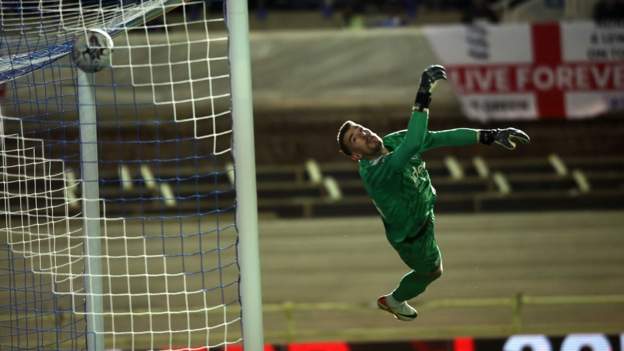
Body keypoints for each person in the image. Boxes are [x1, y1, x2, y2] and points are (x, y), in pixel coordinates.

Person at [335, 65, 530, 321]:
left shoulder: (393, 141)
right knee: (433, 271)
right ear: (356, 155)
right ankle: (393, 300)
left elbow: (438, 138)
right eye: (355, 139)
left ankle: (394, 300)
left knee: (435, 269)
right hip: (412, 238)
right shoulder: (375, 172)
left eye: (360, 129)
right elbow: (415, 143)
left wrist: (490, 135)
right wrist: (424, 92)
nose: (363, 133)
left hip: (423, 214)